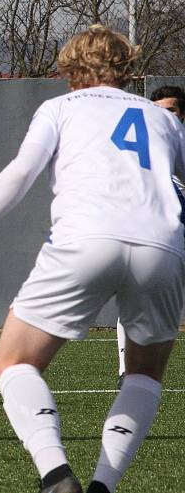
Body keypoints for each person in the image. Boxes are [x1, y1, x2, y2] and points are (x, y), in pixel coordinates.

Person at [0, 25, 185, 493]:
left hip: (85, 239)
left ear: (71, 67)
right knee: (146, 374)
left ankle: (55, 475)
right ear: (126, 67)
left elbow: (22, 171)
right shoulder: (164, 118)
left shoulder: (61, 107)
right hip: (163, 247)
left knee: (16, 361)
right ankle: (103, 485)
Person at [116, 84, 185, 387]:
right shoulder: (140, 149)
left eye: (170, 110)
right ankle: (125, 370)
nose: (163, 116)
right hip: (155, 232)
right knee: (134, 296)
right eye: (156, 109)